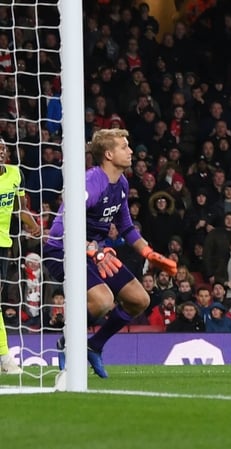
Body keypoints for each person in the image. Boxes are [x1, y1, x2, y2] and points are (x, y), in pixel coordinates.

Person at [44, 129, 176, 378]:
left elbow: (126, 227)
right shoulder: (92, 182)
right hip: (61, 249)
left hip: (94, 251)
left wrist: (149, 253)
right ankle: (68, 341)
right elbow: (64, 226)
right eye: (124, 147)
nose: (130, 151)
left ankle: (94, 345)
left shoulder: (122, 184)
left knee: (139, 299)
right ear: (108, 154)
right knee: (103, 300)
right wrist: (92, 249)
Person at [0, 138, 41, 374]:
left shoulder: (16, 174)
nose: (1, 153)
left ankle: (5, 358)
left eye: (3, 149)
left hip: (4, 244)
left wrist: (33, 224)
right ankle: (5, 358)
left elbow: (19, 207)